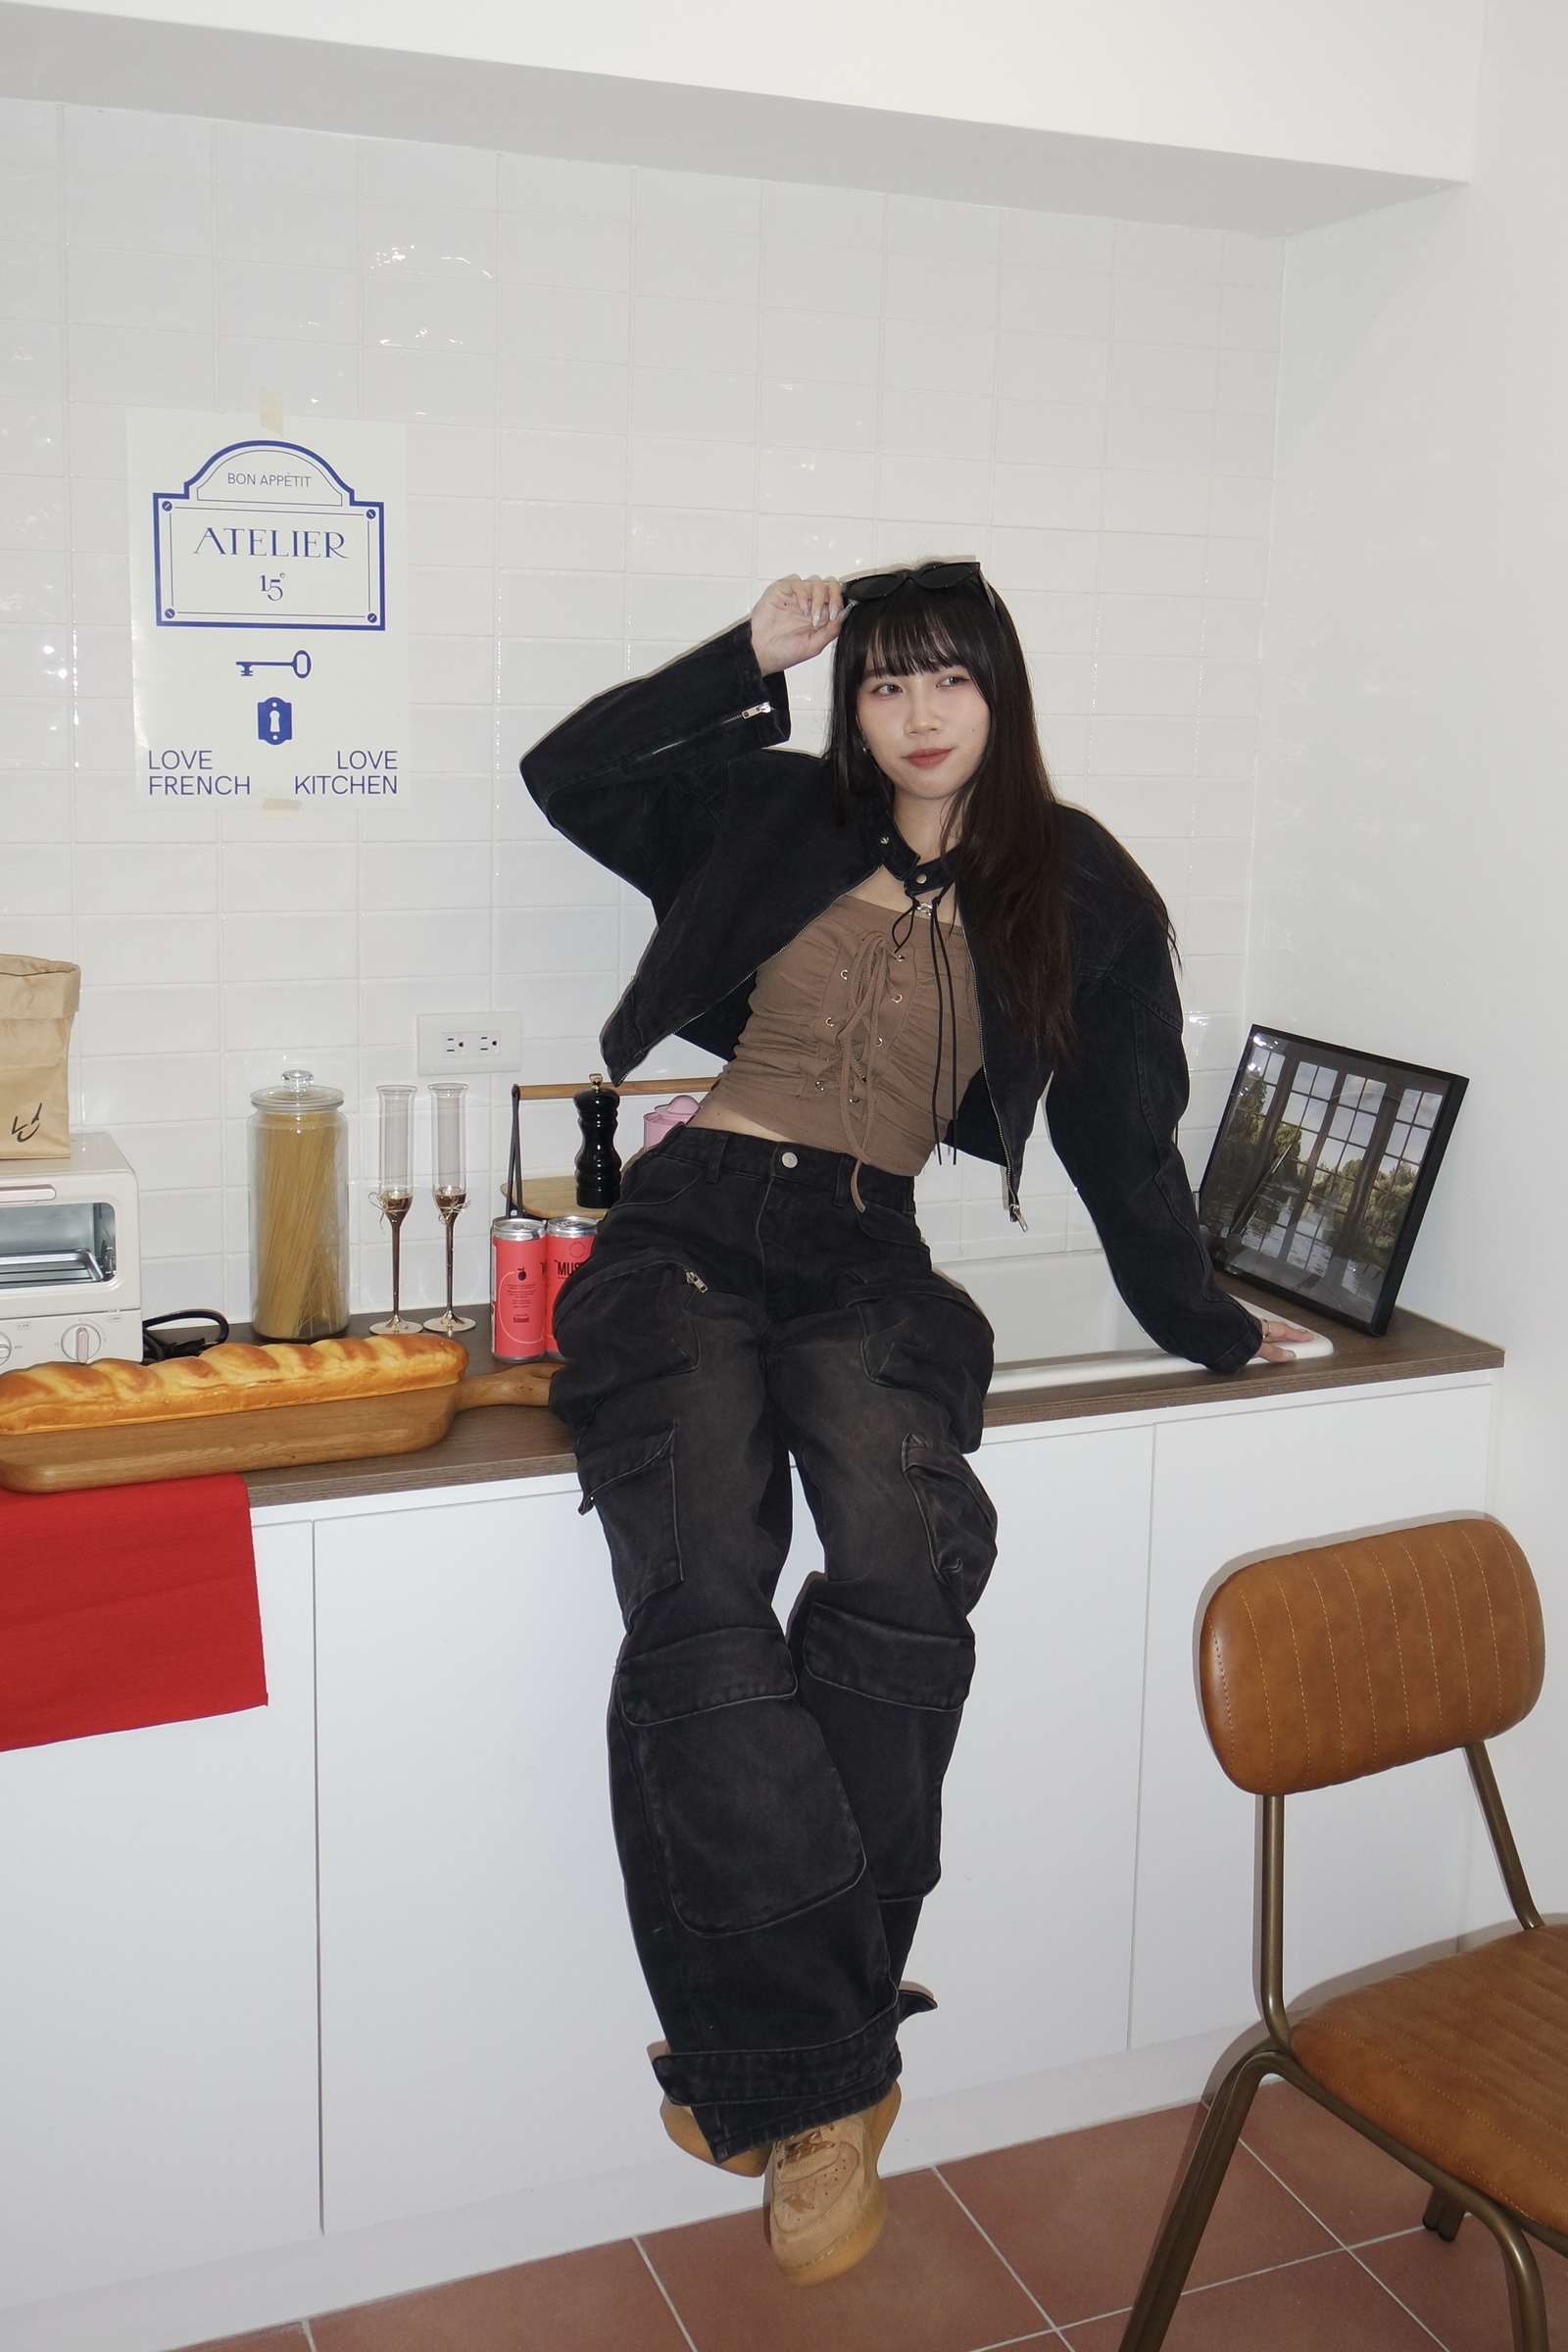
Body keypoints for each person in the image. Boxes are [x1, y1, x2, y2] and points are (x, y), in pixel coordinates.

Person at [520, 564, 1305, 2288]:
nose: (920, 714)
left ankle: (781, 2067)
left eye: (950, 678)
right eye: (885, 683)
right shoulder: (777, 812)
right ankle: (832, 2083)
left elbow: (1121, 1134)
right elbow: (566, 775)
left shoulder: (1078, 886)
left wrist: (1207, 1325)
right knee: (701, 1582)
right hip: (691, 1226)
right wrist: (740, 659)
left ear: (1002, 692)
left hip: (867, 1248)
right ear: (850, 705)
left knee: (902, 1555)